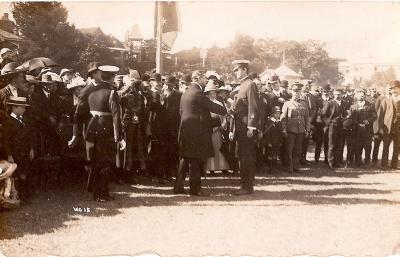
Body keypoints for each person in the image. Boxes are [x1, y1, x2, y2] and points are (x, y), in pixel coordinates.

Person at [69, 65, 126, 202]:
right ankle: (102, 193)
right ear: (112, 77)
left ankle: (96, 192)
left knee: (95, 161)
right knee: (105, 162)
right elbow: (116, 116)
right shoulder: (112, 92)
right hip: (105, 129)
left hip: (92, 128)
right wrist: (119, 137)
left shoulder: (91, 91)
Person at [173, 70, 226, 196]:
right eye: (204, 78)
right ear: (197, 78)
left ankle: (178, 187)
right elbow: (211, 106)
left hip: (186, 132)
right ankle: (195, 189)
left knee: (184, 160)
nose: (206, 80)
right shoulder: (198, 92)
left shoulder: (186, 92)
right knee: (195, 161)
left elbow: (182, 112)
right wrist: (225, 110)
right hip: (195, 134)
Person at [231, 60, 260, 195]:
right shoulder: (242, 86)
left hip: (245, 128)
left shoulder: (250, 85)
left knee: (246, 157)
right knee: (242, 156)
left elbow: (253, 107)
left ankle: (247, 186)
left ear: (244, 69)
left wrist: (251, 127)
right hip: (240, 127)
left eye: (237, 70)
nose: (235, 72)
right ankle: (245, 184)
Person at [4, 96, 35, 203]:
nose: (24, 110)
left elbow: (30, 135)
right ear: (14, 108)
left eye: (24, 108)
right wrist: (9, 154)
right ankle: (17, 196)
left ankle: (24, 196)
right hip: (15, 153)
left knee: (25, 172)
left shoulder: (24, 120)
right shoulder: (8, 121)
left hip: (25, 152)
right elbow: (6, 140)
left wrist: (31, 148)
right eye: (21, 107)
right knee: (17, 175)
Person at [281, 82, 310, 173]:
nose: (297, 93)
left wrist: (307, 129)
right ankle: (289, 167)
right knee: (289, 149)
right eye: (295, 91)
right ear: (291, 92)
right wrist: (284, 129)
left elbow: (307, 118)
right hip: (290, 129)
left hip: (300, 129)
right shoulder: (287, 104)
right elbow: (283, 118)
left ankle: (296, 166)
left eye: (298, 91)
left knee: (298, 149)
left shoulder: (304, 104)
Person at [203, 81, 230, 173]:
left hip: (218, 128)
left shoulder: (219, 103)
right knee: (211, 147)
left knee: (219, 147)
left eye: (214, 93)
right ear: (207, 94)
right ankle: (211, 168)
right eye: (210, 93)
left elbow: (223, 116)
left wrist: (222, 126)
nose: (212, 95)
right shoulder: (205, 104)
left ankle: (222, 166)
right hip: (209, 129)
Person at [349, 90, 376, 167]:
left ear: (365, 96)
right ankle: (358, 162)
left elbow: (374, 116)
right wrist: (355, 123)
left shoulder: (370, 105)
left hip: (367, 130)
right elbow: (350, 118)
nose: (360, 97)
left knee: (367, 146)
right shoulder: (353, 106)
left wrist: (368, 121)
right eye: (359, 95)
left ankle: (367, 162)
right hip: (356, 130)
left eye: (362, 96)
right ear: (356, 96)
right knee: (358, 146)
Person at [322, 88, 348, 169]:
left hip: (342, 126)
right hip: (332, 126)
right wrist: (329, 123)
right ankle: (330, 162)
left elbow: (346, 114)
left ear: (342, 95)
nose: (337, 96)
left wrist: (346, 119)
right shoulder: (329, 103)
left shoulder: (344, 103)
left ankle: (337, 161)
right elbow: (323, 115)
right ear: (333, 94)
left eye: (339, 94)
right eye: (336, 94)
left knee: (340, 144)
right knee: (332, 144)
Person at [372, 84, 397, 168]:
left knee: (397, 147)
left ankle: (394, 164)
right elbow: (380, 115)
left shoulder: (398, 101)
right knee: (386, 147)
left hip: (397, 128)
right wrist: (380, 128)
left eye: (394, 90)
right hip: (387, 128)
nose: (393, 92)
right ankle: (384, 164)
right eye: (391, 90)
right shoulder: (385, 101)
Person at [259, 106, 283, 173]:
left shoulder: (279, 122)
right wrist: (269, 142)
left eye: (279, 113)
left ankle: (274, 167)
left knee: (275, 154)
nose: (278, 115)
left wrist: (280, 141)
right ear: (272, 114)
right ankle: (270, 168)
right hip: (271, 142)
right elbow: (267, 133)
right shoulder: (269, 122)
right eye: (276, 113)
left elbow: (280, 132)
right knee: (270, 155)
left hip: (277, 141)